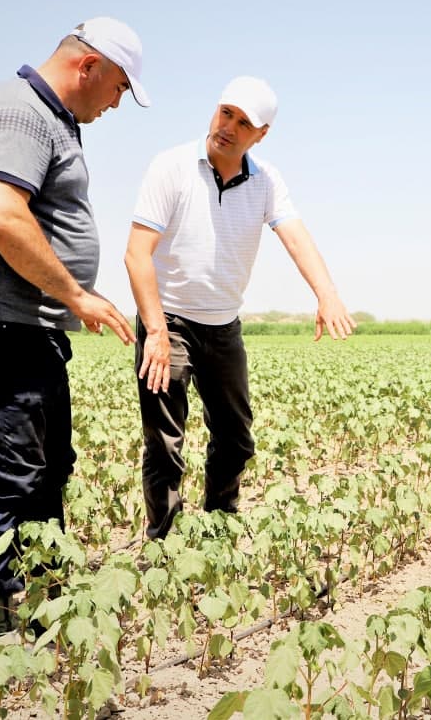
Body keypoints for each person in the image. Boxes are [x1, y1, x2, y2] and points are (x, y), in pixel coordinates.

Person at [0, 17, 148, 643]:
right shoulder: (20, 111)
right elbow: (2, 218)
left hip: (30, 324)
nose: (116, 104)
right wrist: (77, 294)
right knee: (14, 473)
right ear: (89, 68)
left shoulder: (53, 118)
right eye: (118, 88)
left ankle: (47, 596)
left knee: (50, 466)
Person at [124, 76, 356, 540]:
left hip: (224, 327)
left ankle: (218, 531)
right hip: (168, 321)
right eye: (225, 112)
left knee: (236, 438)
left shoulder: (266, 181)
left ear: (261, 134)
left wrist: (326, 292)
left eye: (244, 122)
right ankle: (163, 544)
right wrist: (156, 332)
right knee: (165, 444)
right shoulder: (171, 167)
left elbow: (295, 235)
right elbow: (136, 253)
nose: (228, 126)